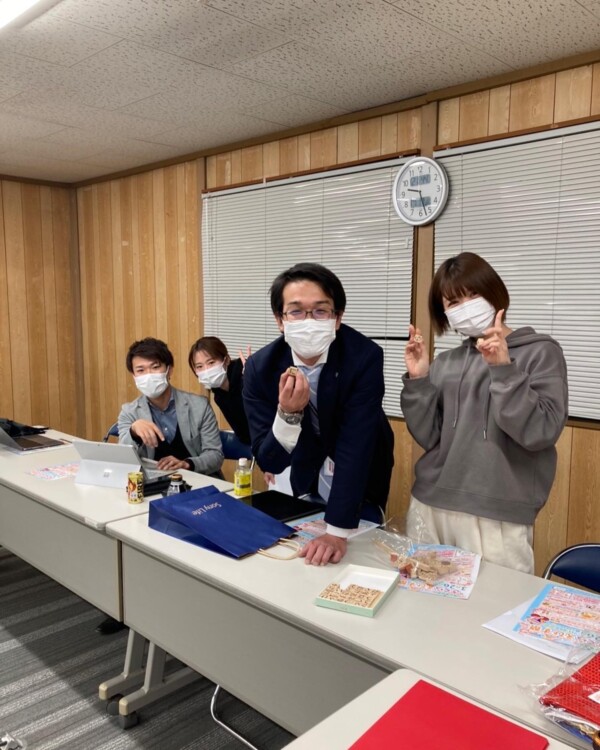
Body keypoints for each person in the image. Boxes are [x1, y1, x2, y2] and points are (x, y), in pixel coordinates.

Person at [401, 252, 568, 573]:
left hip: (498, 513)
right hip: (430, 502)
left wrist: (503, 369)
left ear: (494, 293)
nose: (465, 307)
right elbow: (429, 436)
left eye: (473, 294)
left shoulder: (540, 352)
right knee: (421, 596)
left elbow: (541, 432)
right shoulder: (447, 362)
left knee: (498, 601)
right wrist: (419, 379)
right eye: (453, 302)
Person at [243, 262, 394, 566]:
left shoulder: (363, 356)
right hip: (305, 468)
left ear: (337, 318)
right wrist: (287, 415)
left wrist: (336, 532)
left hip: (360, 469)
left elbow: (355, 444)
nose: (309, 321)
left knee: (355, 551)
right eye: (296, 311)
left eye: (321, 311)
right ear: (280, 320)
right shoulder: (261, 367)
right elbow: (270, 460)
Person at [118, 337, 223, 475]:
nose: (148, 375)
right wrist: (133, 432)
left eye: (155, 367)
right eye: (140, 370)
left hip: (197, 480)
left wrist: (187, 464)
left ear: (169, 369)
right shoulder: (129, 412)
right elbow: (123, 458)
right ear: (133, 375)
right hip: (153, 483)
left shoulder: (199, 406)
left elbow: (215, 455)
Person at [188, 336, 251, 446]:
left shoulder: (247, 375)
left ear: (226, 360)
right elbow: (244, 435)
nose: (206, 370)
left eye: (211, 362)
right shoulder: (219, 395)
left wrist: (253, 380)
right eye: (199, 366)